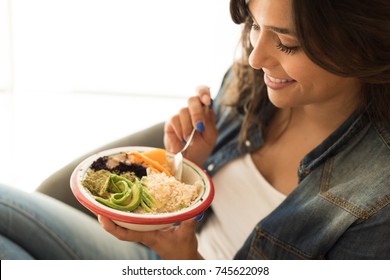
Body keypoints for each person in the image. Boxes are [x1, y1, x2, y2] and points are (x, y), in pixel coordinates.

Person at [1, 0, 390, 259]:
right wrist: (190, 168)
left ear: (363, 45)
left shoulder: (378, 198)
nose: (256, 57)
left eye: (286, 43)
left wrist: (184, 259)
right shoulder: (253, 84)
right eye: (256, 24)